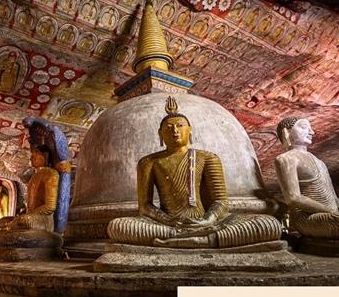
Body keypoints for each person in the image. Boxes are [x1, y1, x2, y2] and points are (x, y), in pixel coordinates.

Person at [107, 96, 281, 248]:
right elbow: (145, 206)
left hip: (207, 222)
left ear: (190, 131)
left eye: (180, 126)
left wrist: (208, 220)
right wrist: (168, 221)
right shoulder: (149, 162)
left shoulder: (207, 158)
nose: (174, 130)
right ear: (160, 134)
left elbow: (221, 201)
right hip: (168, 224)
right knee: (118, 227)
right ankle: (204, 240)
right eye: (168, 128)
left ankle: (191, 240)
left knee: (269, 225)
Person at [274, 117, 339, 239]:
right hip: (308, 217)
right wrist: (330, 211)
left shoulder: (320, 162)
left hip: (331, 216)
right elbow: (293, 198)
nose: (311, 132)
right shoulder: (286, 159)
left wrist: (336, 210)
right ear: (286, 132)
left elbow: (334, 198)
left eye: (311, 128)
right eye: (304, 127)